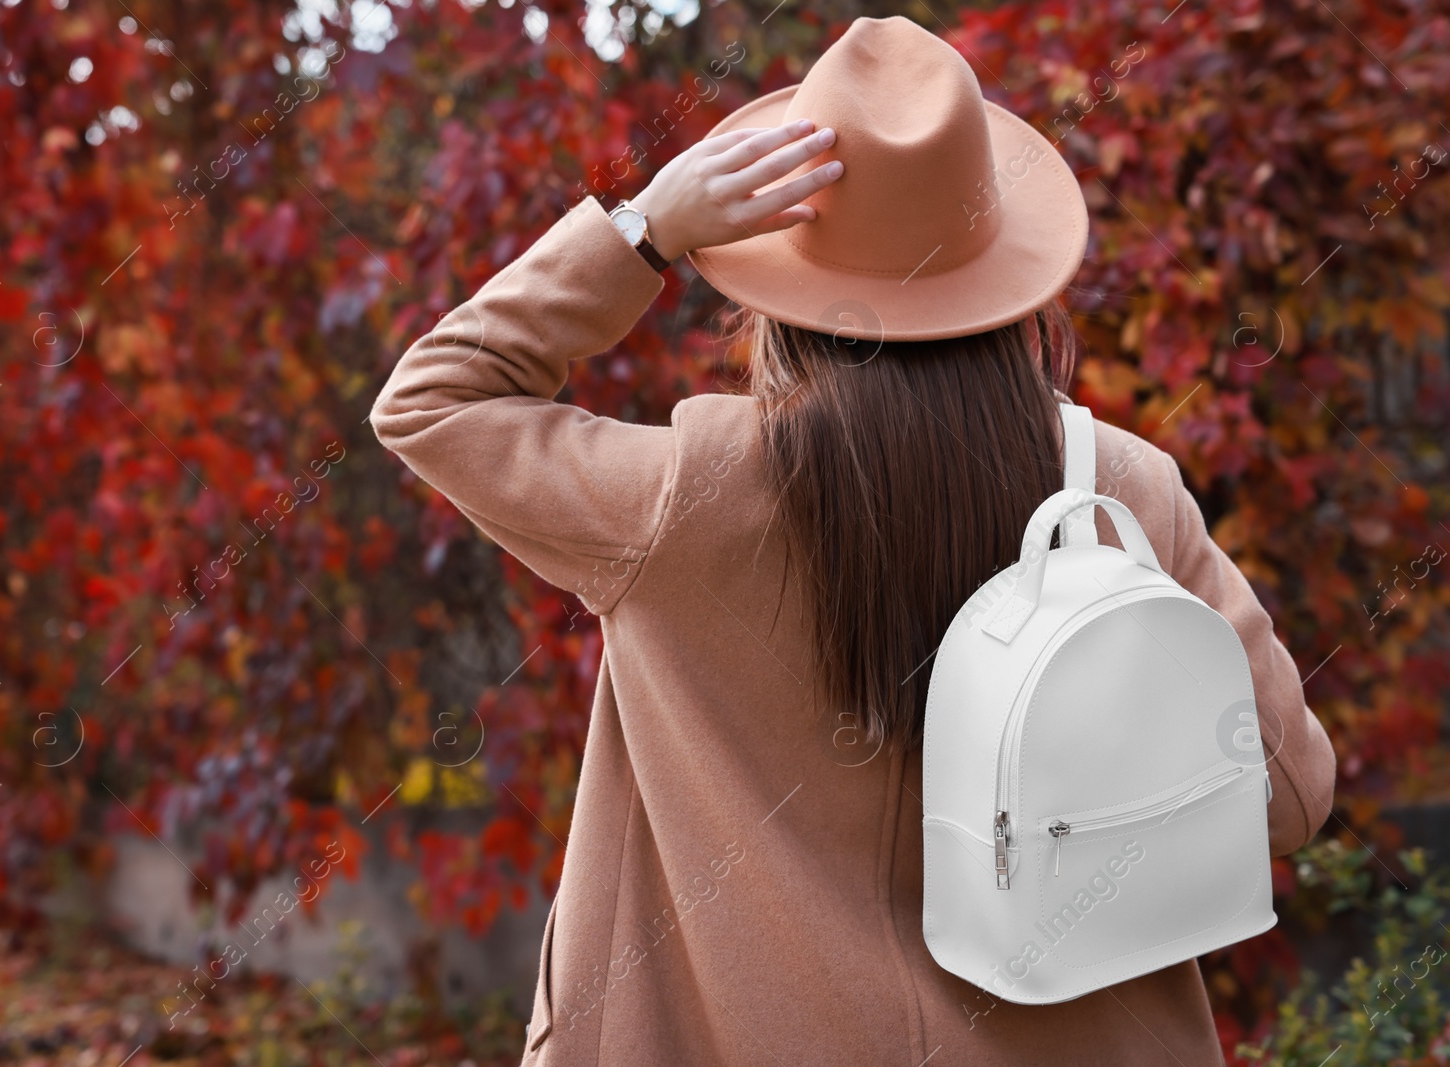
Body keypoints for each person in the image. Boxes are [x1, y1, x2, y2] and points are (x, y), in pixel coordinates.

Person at [370, 15, 1336, 1066]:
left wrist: (644, 226)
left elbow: (430, 401)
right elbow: (1287, 795)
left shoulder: (680, 499)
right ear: (1005, 273)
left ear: (775, 291)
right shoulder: (1116, 493)